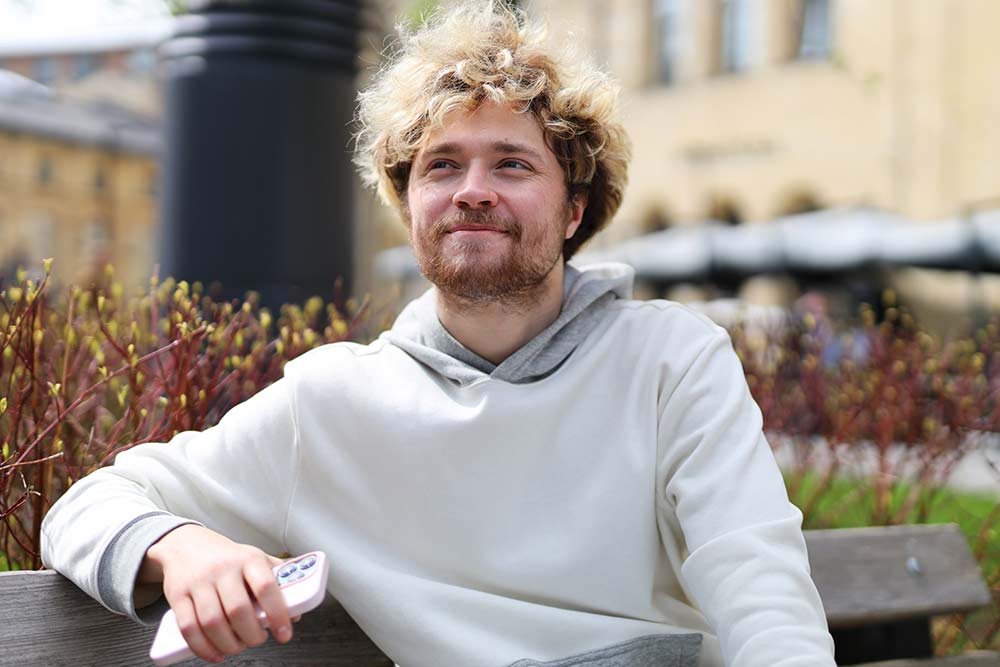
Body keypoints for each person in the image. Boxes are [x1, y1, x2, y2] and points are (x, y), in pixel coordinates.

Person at [41, 2, 836, 665]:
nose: (473, 192)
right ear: (409, 203)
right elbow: (84, 506)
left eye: (513, 165)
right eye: (442, 166)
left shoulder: (673, 360)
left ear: (575, 209)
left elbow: (758, 579)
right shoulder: (331, 403)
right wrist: (182, 546)